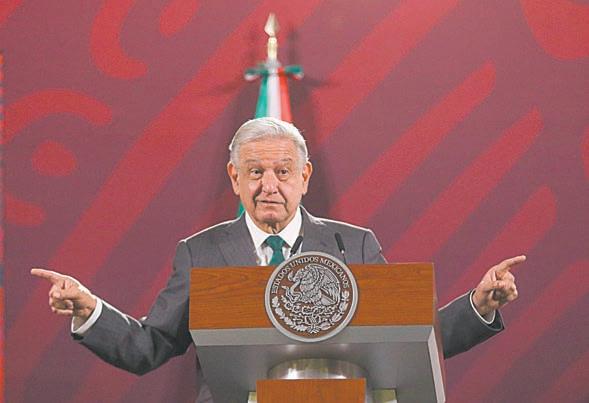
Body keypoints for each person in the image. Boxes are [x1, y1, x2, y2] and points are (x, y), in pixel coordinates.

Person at [32, 117, 522, 401]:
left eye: (283, 171)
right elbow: (150, 346)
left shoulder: (352, 246)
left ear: (304, 177)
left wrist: (477, 306)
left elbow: (408, 336)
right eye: (255, 171)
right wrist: (90, 311)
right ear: (234, 178)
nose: (269, 185)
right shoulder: (201, 252)